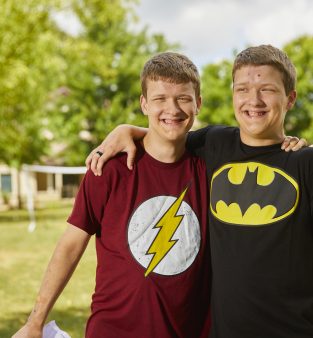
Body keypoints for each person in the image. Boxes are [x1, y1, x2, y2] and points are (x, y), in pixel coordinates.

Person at [86, 45, 313, 338]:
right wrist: (124, 129)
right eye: (242, 89)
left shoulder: (306, 163)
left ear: (290, 98)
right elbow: (168, 131)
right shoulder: (215, 144)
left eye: (267, 89)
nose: (253, 100)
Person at [12, 52, 212, 338]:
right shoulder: (108, 169)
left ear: (198, 103)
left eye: (183, 98)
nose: (173, 108)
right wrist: (35, 322)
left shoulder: (211, 171)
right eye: (159, 99)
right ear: (144, 104)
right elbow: (70, 246)